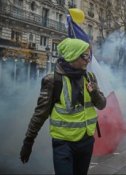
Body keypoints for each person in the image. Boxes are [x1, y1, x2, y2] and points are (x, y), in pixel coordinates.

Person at [20, 38, 106, 175]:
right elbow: (40, 113)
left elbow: (102, 105)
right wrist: (29, 140)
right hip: (63, 144)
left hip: (86, 142)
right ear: (72, 55)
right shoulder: (53, 80)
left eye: (89, 56)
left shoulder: (90, 77)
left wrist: (94, 92)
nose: (88, 60)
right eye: (85, 56)